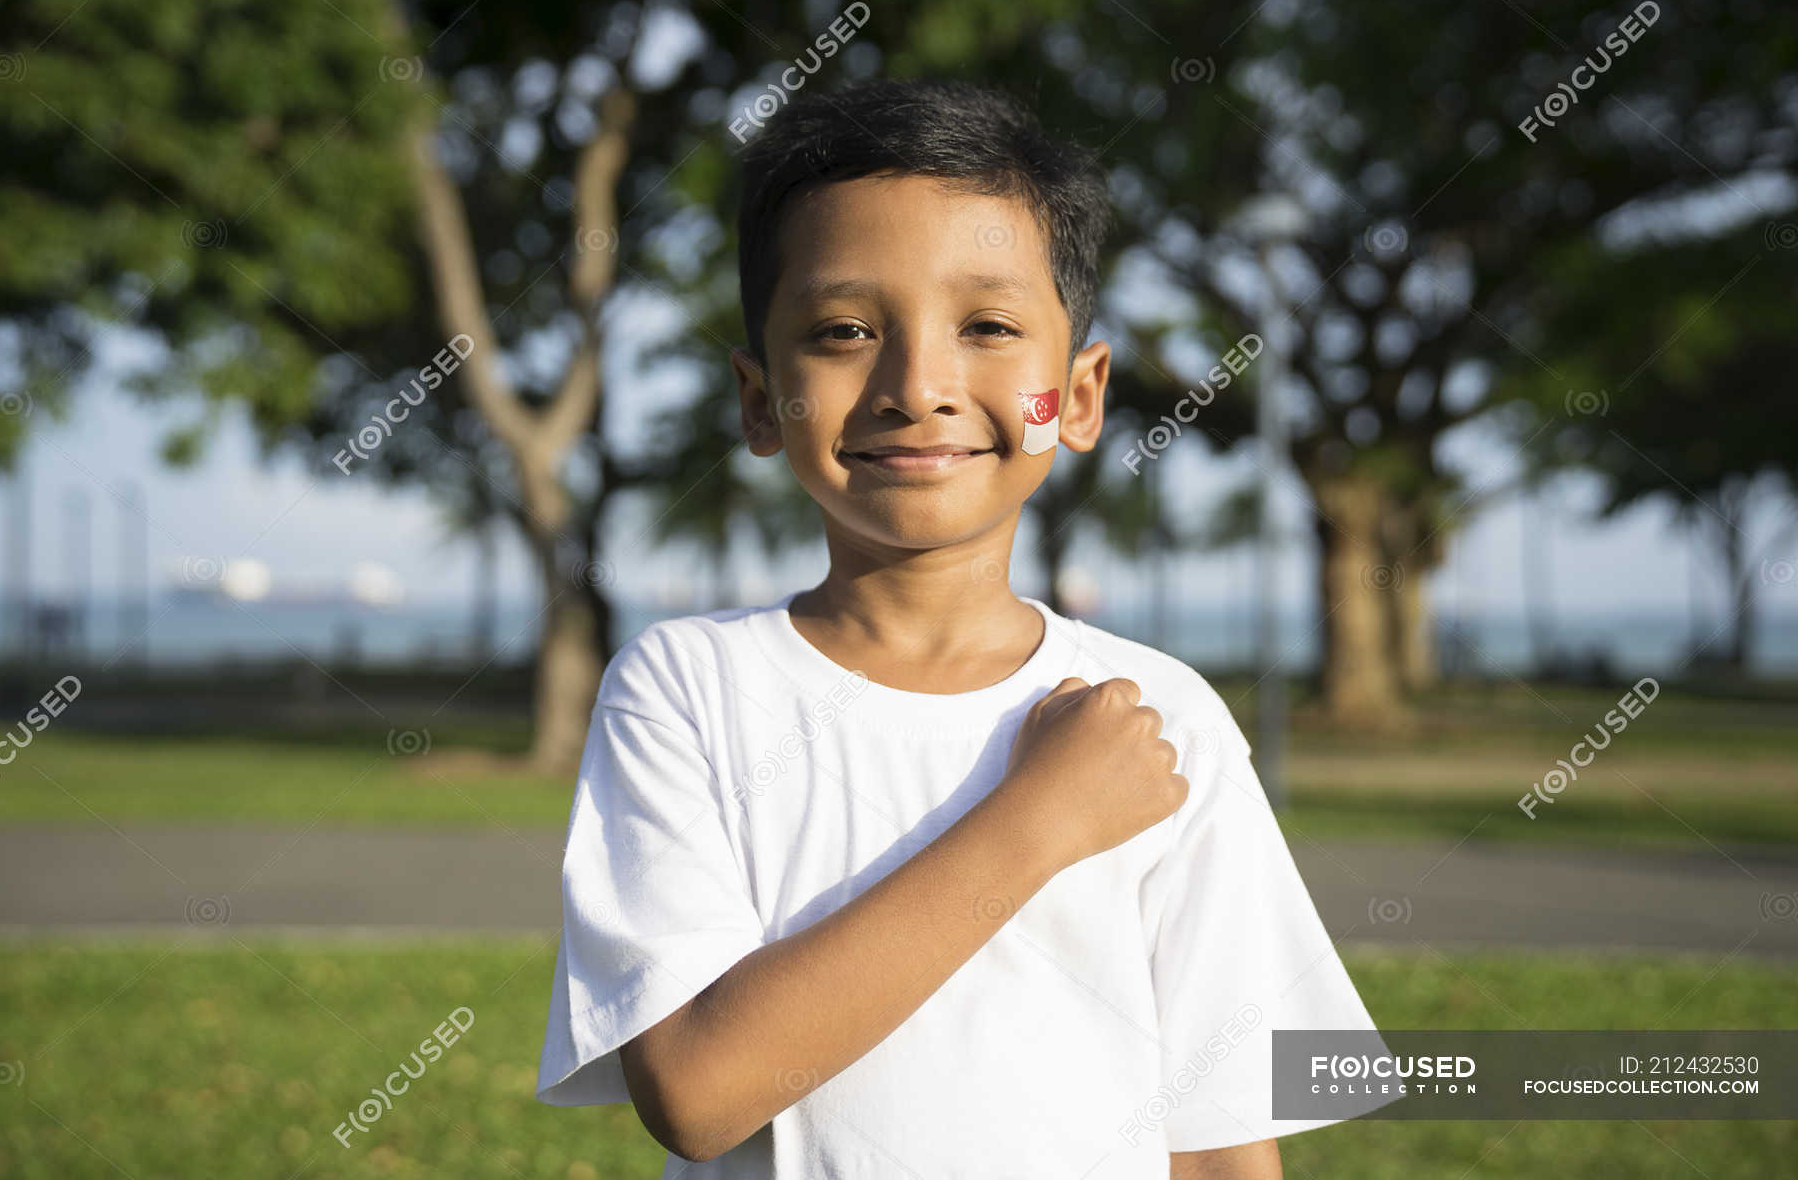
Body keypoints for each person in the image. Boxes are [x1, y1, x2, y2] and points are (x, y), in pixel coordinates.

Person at [536, 76, 1393, 1178]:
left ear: (1078, 397)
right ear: (760, 400)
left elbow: (1220, 1137)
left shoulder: (1161, 721)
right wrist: (1037, 819)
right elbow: (699, 1092)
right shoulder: (688, 687)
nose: (918, 384)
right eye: (844, 330)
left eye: (987, 326)